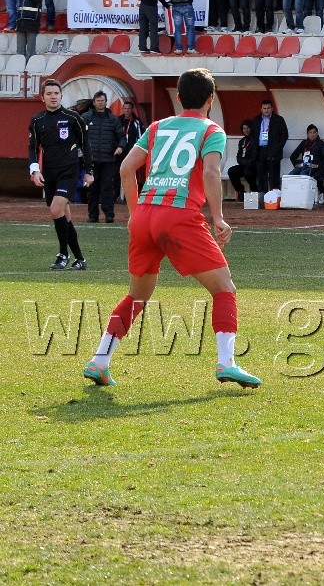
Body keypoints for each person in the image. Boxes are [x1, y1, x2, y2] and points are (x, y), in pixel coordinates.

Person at [81, 69, 261, 390]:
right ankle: (227, 362)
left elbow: (126, 169)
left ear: (178, 99)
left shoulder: (156, 127)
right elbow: (211, 171)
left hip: (146, 215)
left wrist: (136, 215)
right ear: (211, 98)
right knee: (224, 289)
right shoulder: (211, 131)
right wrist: (218, 217)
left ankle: (100, 360)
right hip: (178, 216)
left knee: (137, 297)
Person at [28, 79, 92, 271]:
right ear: (43, 97)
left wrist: (89, 171)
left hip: (69, 171)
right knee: (64, 215)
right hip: (49, 172)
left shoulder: (73, 118)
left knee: (56, 209)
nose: (53, 96)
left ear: (61, 95)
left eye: (56, 93)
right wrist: (34, 169)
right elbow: (32, 147)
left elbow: (85, 145)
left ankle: (63, 254)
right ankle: (80, 259)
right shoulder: (37, 120)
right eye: (49, 94)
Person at [81, 90, 126, 224]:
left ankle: (109, 215)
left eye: (103, 100)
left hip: (108, 160)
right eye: (98, 100)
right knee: (92, 188)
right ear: (94, 102)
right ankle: (92, 216)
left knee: (107, 188)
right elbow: (79, 135)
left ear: (106, 102)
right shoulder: (86, 118)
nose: (101, 103)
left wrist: (120, 147)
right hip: (92, 160)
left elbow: (122, 137)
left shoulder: (113, 119)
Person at [248, 99, 288, 194]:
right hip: (260, 150)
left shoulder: (278, 120)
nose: (266, 110)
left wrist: (277, 148)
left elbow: (284, 135)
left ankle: (274, 199)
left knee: (274, 176)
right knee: (261, 176)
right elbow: (252, 135)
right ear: (261, 109)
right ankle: (263, 198)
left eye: (268, 108)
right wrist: (254, 150)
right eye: (264, 108)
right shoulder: (256, 120)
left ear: (272, 108)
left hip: (273, 151)